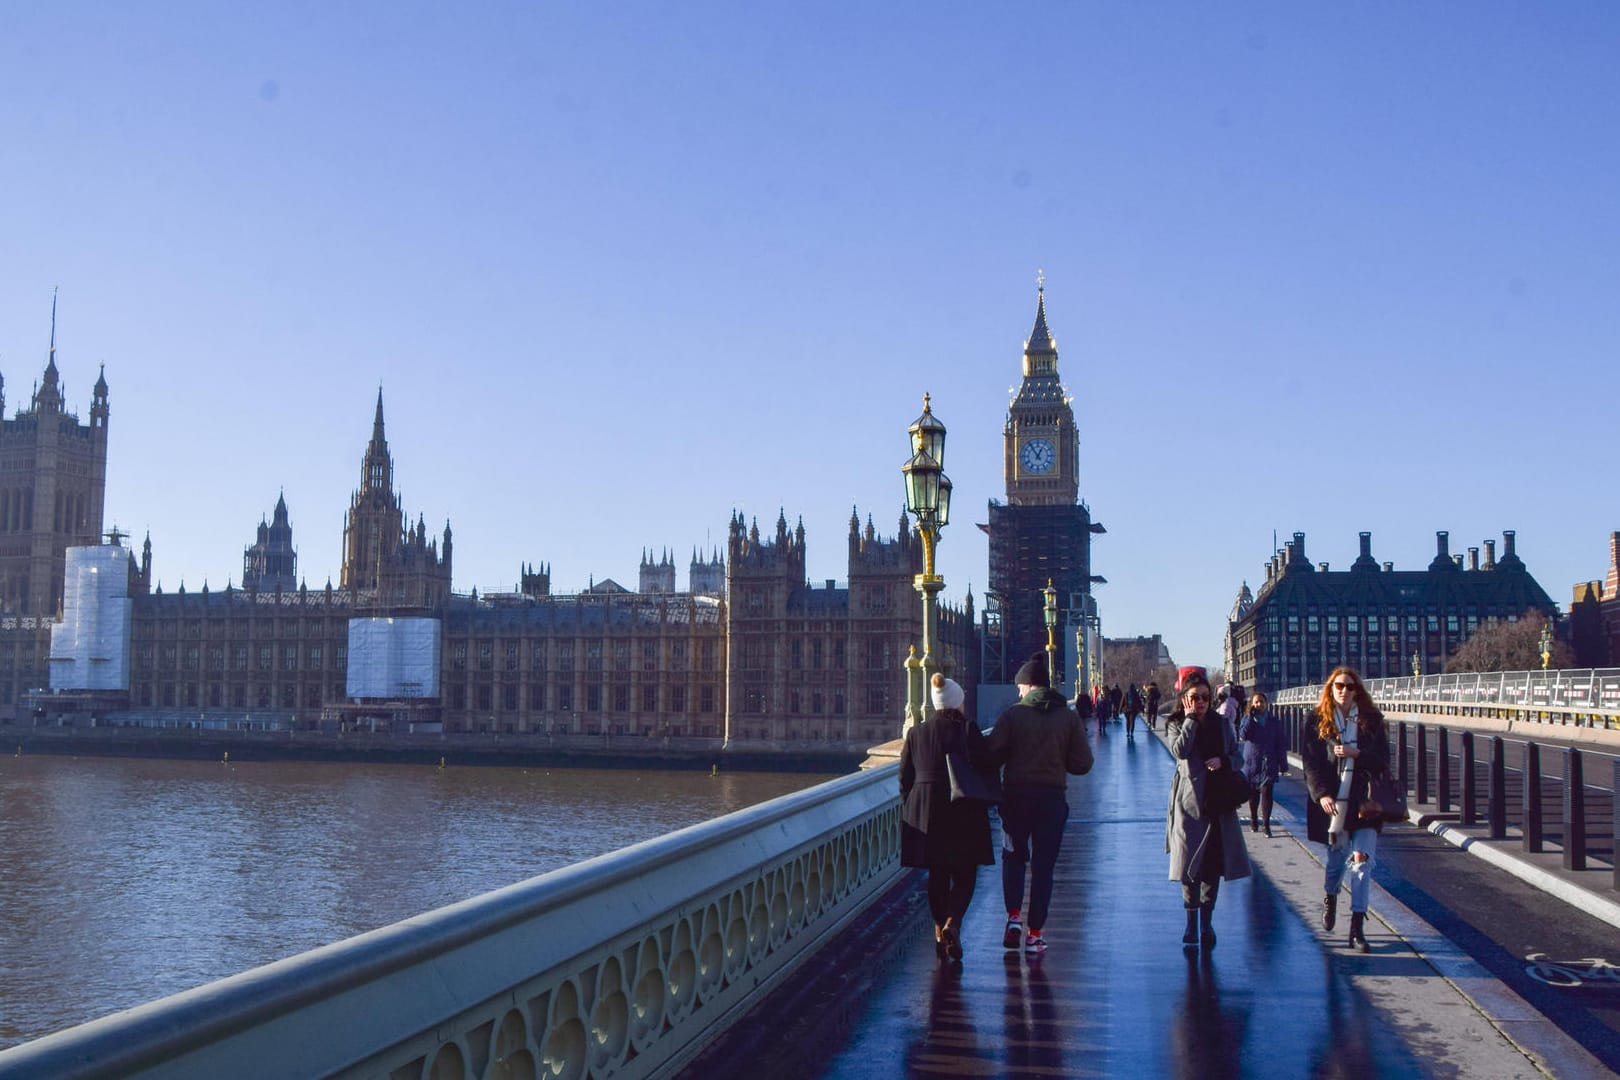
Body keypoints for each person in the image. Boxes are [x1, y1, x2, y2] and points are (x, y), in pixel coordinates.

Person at [984, 652, 1094, 954]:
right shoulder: (1068, 718)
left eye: (1020, 686)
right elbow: (1083, 763)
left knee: (1014, 857)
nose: (1018, 692)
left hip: (1016, 799)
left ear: (1029, 685)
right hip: (1052, 801)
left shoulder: (1013, 715)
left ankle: (1014, 918)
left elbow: (991, 755)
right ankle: (1034, 934)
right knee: (1044, 867)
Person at [901, 673, 995, 962]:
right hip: (962, 811)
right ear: (956, 703)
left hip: (926, 813)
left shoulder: (916, 733)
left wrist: (913, 805)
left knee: (937, 875)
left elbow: (905, 777)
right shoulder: (968, 731)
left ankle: (941, 930)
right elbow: (986, 768)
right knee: (965, 874)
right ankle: (953, 922)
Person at [1302, 666, 1390, 953]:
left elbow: (1382, 761)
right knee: (1337, 863)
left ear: (1357, 690)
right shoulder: (1317, 721)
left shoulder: (1372, 721)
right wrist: (1321, 795)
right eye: (1339, 686)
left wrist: (1357, 754)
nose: (1344, 690)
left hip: (1364, 804)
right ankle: (1330, 896)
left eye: (1350, 686)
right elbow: (1311, 764)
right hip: (1335, 806)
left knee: (1362, 865)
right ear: (1330, 689)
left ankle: (1357, 928)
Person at [1165, 666, 1252, 949]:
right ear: (1184, 698)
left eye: (1204, 697)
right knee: (1190, 866)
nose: (1200, 702)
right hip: (1189, 804)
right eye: (1194, 697)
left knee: (1212, 868)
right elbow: (1179, 751)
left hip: (1218, 802)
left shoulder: (1222, 724)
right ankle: (1190, 924)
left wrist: (1224, 762)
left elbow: (1238, 758)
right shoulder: (1176, 722)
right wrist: (1190, 720)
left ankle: (1206, 923)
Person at [1239, 690, 1286, 837]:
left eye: (1262, 702)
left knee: (1267, 794)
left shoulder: (1274, 722)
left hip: (1269, 761)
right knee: (1253, 796)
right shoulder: (1248, 720)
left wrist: (1282, 763)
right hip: (1252, 762)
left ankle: (1266, 824)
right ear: (1252, 704)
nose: (1259, 704)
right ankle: (1254, 820)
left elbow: (1280, 743)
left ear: (1266, 704)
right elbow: (1243, 735)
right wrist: (1249, 717)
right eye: (1256, 702)